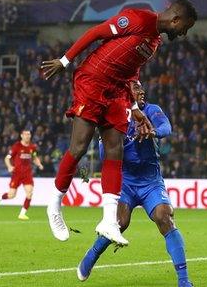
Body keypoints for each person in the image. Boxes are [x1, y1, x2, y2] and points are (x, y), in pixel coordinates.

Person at [41, 0, 197, 246]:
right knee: (80, 146)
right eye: (185, 28)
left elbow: (130, 73)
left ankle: (109, 222)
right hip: (92, 79)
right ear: (176, 19)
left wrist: (134, 108)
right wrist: (65, 60)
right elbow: (95, 33)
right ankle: (54, 204)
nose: (183, 34)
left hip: (116, 91)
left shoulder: (154, 43)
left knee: (116, 149)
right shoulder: (137, 18)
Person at [76, 81, 193, 287]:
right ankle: (92, 254)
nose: (142, 91)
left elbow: (166, 127)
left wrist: (152, 131)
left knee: (164, 217)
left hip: (151, 181)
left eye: (141, 87)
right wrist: (117, 140)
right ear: (125, 94)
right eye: (136, 88)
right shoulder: (113, 117)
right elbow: (104, 154)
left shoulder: (151, 110)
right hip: (125, 182)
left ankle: (184, 281)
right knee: (120, 223)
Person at [0, 129, 43, 220]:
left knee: (29, 193)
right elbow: (7, 158)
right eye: (26, 134)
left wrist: (39, 164)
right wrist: (9, 166)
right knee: (12, 195)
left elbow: (34, 157)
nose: (28, 136)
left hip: (27, 174)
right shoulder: (16, 146)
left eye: (29, 134)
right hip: (17, 174)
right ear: (21, 136)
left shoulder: (32, 147)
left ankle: (22, 214)